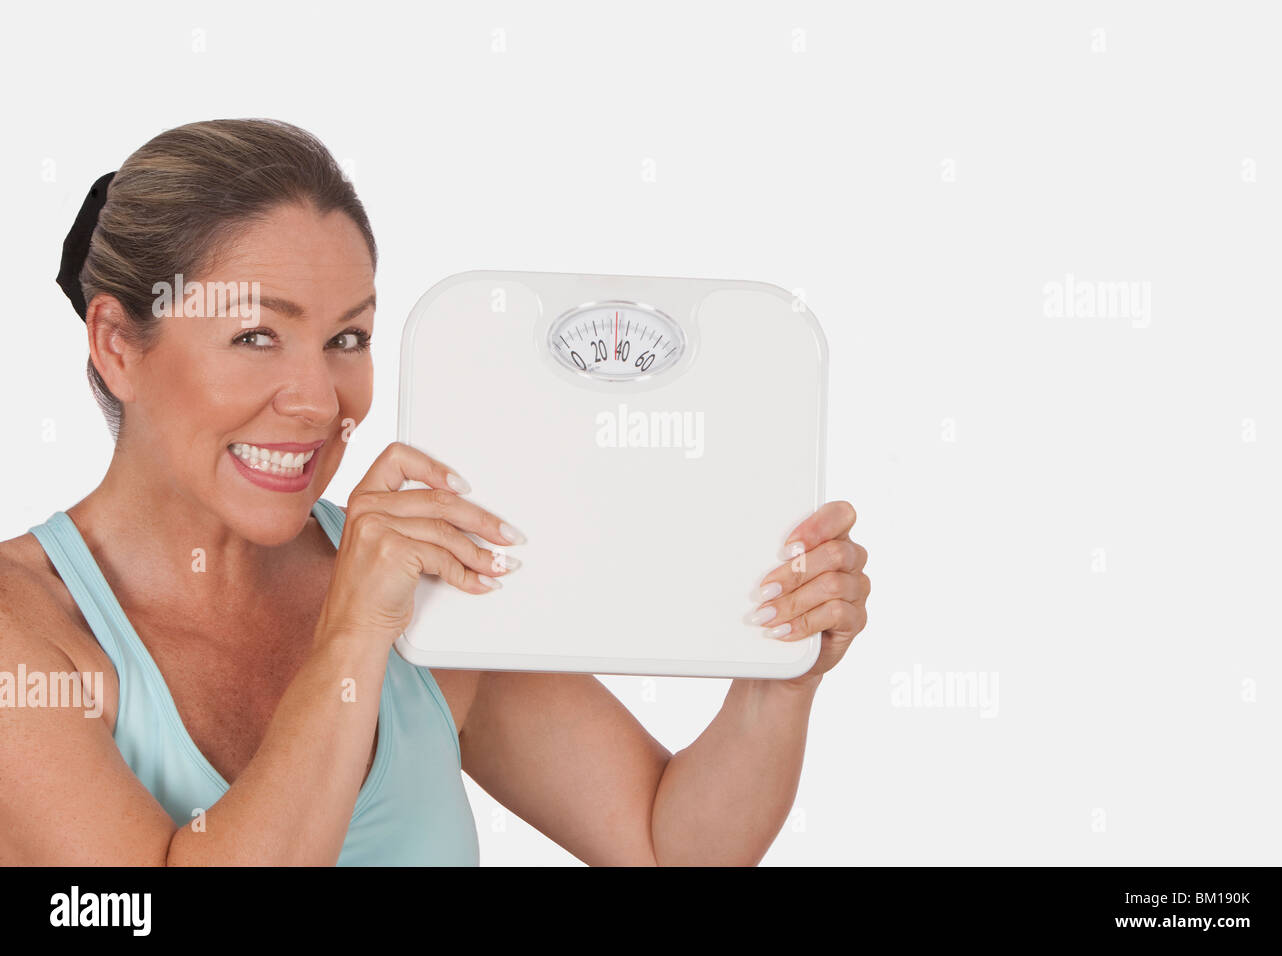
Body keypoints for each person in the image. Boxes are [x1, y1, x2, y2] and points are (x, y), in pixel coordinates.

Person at [0, 118, 871, 866]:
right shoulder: (24, 638)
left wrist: (779, 673)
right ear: (117, 343)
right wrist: (352, 633)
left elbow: (662, 842)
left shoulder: (430, 586)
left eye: (348, 338)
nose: (318, 401)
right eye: (258, 335)